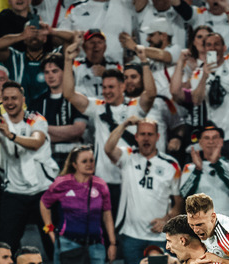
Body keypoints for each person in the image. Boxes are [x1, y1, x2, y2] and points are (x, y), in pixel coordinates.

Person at [62, 40, 157, 206]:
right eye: (104, 87)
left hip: (132, 176)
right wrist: (68, 60)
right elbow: (69, 94)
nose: (106, 91)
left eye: (111, 87)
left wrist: (144, 62)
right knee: (105, 228)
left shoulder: (134, 105)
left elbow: (150, 94)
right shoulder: (97, 107)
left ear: (122, 87)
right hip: (103, 178)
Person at [0, 80, 59, 254]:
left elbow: (36, 142)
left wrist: (9, 134)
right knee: (5, 244)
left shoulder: (35, 119)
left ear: (23, 99)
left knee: (53, 240)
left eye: (14, 98)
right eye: (6, 98)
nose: (10, 102)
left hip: (42, 190)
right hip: (14, 192)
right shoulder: (1, 121)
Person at [105, 117, 182, 264]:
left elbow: (179, 203)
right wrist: (124, 124)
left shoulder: (171, 165)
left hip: (160, 239)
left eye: (150, 134)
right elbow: (108, 148)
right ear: (136, 137)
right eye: (142, 134)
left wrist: (166, 220)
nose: (146, 138)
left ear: (157, 137)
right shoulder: (127, 156)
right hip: (131, 237)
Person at [171, 35, 229, 171]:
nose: (213, 48)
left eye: (217, 44)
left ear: (224, 48)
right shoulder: (198, 73)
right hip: (212, 140)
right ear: (204, 49)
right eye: (209, 45)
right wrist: (205, 76)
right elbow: (196, 100)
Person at [40, 146, 118, 264]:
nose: (89, 164)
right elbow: (44, 204)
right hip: (67, 244)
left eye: (91, 160)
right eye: (84, 161)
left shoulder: (100, 185)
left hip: (95, 246)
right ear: (74, 164)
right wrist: (49, 230)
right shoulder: (62, 183)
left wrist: (112, 243)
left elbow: (107, 214)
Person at [34, 54, 89, 169]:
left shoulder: (77, 99)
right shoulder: (37, 102)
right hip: (46, 157)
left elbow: (77, 131)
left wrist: (43, 128)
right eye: (46, 72)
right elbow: (33, 134)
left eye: (55, 71)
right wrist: (66, 134)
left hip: (74, 156)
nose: (50, 76)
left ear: (65, 72)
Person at [180, 124, 229, 220]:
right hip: (201, 228)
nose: (211, 141)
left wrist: (216, 165)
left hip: (228, 227)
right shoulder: (190, 167)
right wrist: (197, 170)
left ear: (221, 142)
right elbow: (184, 193)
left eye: (215, 138)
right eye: (206, 138)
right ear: (200, 143)